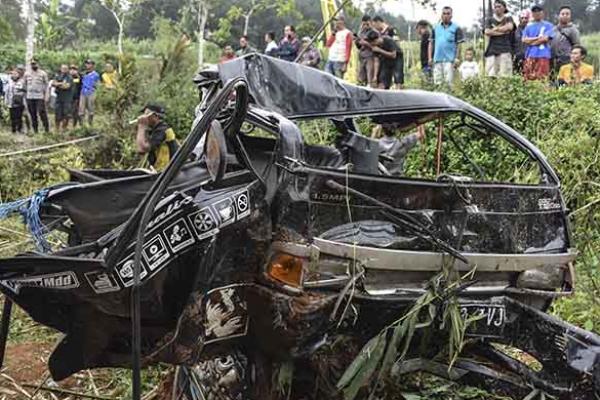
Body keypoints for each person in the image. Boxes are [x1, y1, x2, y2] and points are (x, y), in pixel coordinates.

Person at [136, 103, 180, 172]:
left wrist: (141, 126)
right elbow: (140, 152)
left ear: (155, 116)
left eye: (146, 114)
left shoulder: (163, 130)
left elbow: (142, 149)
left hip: (165, 172)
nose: (143, 117)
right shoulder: (154, 130)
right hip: (159, 171)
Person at [428, 6, 465, 87]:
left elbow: (459, 44)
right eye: (444, 13)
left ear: (451, 15)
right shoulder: (435, 27)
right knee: (437, 83)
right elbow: (431, 43)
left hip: (449, 60)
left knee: (448, 84)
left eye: (448, 14)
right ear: (441, 15)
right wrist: (430, 58)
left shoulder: (456, 28)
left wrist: (457, 58)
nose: (446, 16)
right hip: (437, 59)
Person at [522, 5, 554, 81]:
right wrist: (537, 38)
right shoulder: (528, 26)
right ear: (532, 14)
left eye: (538, 11)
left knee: (542, 77)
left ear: (542, 13)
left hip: (543, 54)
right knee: (528, 77)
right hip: (530, 54)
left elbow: (545, 38)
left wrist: (532, 42)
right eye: (534, 11)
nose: (536, 13)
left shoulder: (549, 25)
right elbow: (524, 40)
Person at [484, 0, 514, 77]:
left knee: (505, 77)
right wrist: (503, 32)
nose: (497, 8)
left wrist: (495, 29)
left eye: (499, 6)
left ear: (504, 8)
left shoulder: (508, 18)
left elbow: (510, 27)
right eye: (495, 7)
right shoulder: (489, 20)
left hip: (505, 50)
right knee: (491, 76)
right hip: (492, 51)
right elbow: (487, 32)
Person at [551, 6, 580, 75]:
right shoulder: (553, 29)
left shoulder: (573, 30)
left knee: (565, 82)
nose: (565, 16)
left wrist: (575, 59)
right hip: (553, 60)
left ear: (570, 16)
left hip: (567, 60)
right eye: (563, 14)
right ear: (559, 15)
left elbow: (577, 46)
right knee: (552, 81)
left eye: (567, 14)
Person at [23, 58, 50, 134]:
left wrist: (47, 95)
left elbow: (46, 85)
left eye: (35, 63)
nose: (34, 65)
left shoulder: (43, 73)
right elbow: (24, 85)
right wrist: (25, 96)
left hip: (40, 96)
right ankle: (35, 130)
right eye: (32, 64)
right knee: (32, 113)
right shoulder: (27, 74)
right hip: (30, 96)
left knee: (42, 112)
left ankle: (46, 129)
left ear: (38, 64)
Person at [356, 15, 378, 87]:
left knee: (369, 76)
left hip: (370, 56)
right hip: (362, 56)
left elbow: (376, 46)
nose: (365, 26)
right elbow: (358, 44)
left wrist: (366, 44)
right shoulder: (361, 31)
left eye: (367, 24)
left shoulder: (374, 32)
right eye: (363, 24)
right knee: (361, 77)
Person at [52, 64, 74, 133]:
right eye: (63, 68)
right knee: (57, 114)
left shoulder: (69, 77)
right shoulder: (58, 76)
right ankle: (57, 129)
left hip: (67, 99)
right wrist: (61, 84)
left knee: (66, 114)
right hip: (59, 98)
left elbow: (67, 86)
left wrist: (58, 84)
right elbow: (53, 83)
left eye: (65, 68)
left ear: (67, 70)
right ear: (60, 69)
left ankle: (64, 128)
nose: (64, 70)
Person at [4, 67, 26, 134]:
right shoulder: (9, 82)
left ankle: (19, 129)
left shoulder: (22, 82)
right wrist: (6, 102)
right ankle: (13, 130)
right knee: (12, 117)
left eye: (16, 74)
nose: (14, 75)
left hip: (20, 103)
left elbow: (25, 92)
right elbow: (6, 93)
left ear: (18, 74)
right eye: (13, 74)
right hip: (11, 103)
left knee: (19, 116)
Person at [79, 59, 100, 125]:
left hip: (91, 92)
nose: (87, 65)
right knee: (81, 109)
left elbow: (98, 84)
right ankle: (82, 124)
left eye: (89, 64)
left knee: (91, 109)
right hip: (83, 92)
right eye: (87, 64)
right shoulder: (83, 74)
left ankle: (90, 123)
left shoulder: (95, 75)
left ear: (93, 65)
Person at [513, 10, 531, 74]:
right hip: (517, 58)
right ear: (519, 19)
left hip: (528, 58)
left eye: (526, 18)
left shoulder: (531, 31)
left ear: (528, 19)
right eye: (522, 18)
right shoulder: (514, 31)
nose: (524, 20)